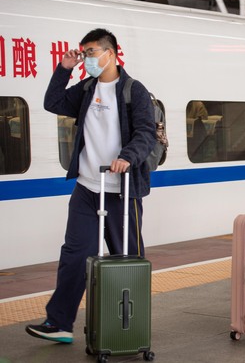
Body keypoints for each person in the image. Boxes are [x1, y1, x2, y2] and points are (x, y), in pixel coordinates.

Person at [25, 28, 156, 343]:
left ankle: (131, 326)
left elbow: (146, 134)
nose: (88, 58)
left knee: (128, 259)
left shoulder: (133, 91)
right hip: (86, 188)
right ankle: (59, 324)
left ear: (111, 54)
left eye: (93, 52)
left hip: (122, 193)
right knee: (74, 255)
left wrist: (127, 156)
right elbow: (53, 101)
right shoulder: (85, 89)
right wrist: (64, 69)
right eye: (85, 53)